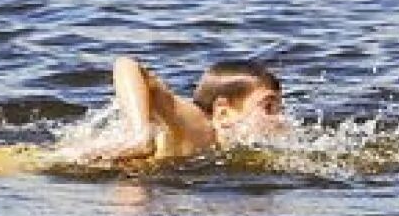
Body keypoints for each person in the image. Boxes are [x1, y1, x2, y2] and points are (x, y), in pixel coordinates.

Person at [96, 56, 287, 162]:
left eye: (280, 109)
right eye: (268, 107)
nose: (279, 119)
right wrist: (139, 136)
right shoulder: (200, 127)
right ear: (223, 113)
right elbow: (126, 65)